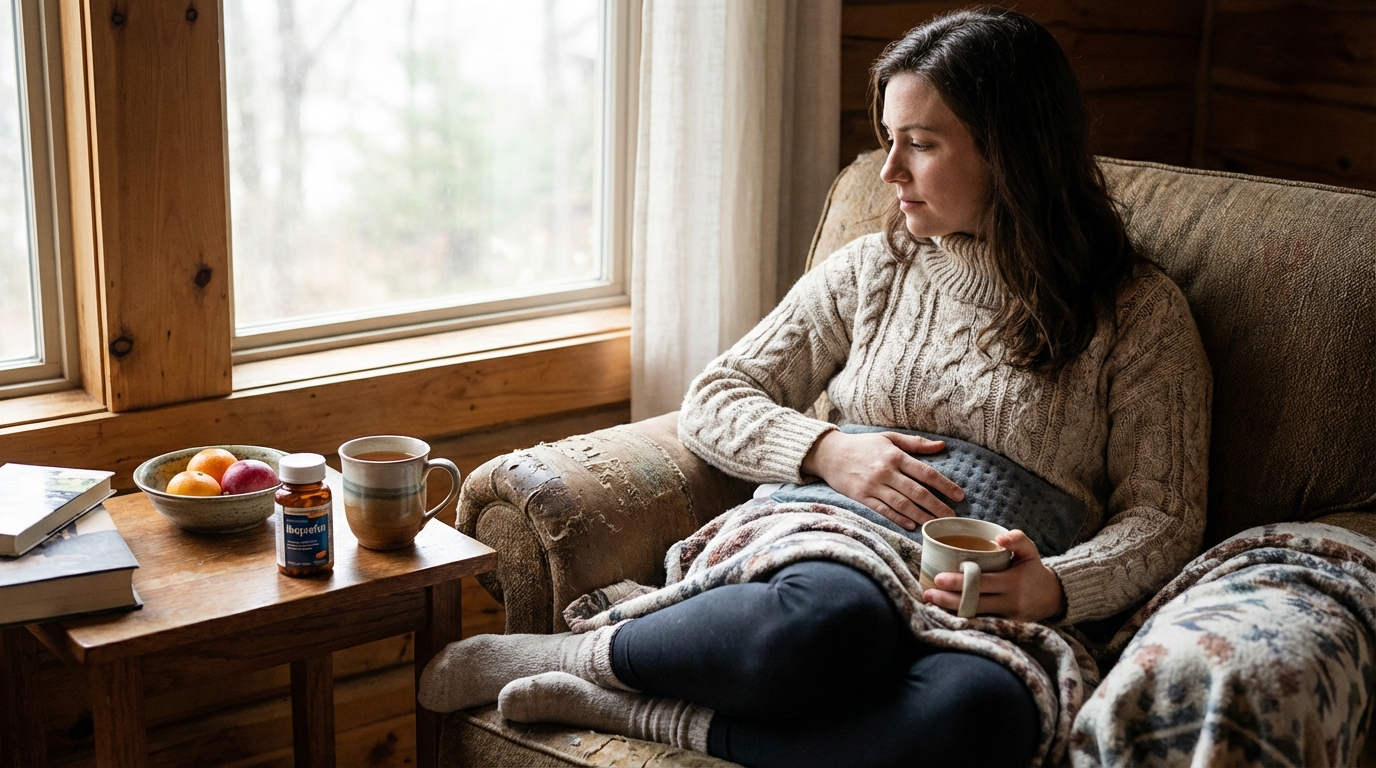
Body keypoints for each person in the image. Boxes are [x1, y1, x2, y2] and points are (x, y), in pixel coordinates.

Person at [418, 7, 1212, 767]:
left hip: (980, 599)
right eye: (889, 141)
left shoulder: (1138, 314)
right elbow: (718, 394)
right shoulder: (874, 271)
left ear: (1011, 150)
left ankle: (632, 709)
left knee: (981, 716)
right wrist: (827, 449)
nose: (890, 171)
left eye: (921, 144)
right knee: (830, 628)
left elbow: (1166, 513)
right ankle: (585, 654)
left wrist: (1056, 586)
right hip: (840, 544)